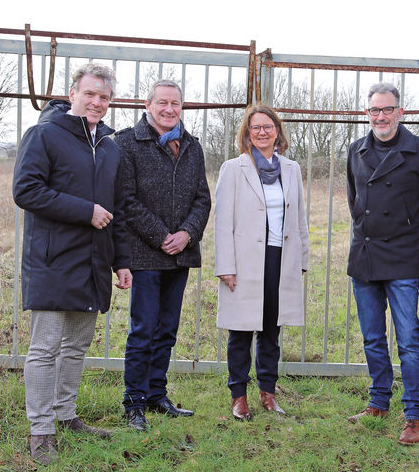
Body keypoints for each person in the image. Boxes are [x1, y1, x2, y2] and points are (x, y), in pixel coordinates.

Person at [13, 63, 131, 465]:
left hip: (94, 262)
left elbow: (115, 210)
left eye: (104, 97)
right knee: (45, 348)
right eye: (90, 94)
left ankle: (65, 415)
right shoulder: (44, 135)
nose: (97, 102)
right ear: (72, 93)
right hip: (52, 259)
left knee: (77, 346)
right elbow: (26, 190)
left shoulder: (111, 147)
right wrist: (85, 211)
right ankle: (40, 431)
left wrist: (121, 262)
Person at [346, 82, 419, 445]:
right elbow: (355, 200)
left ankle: (414, 415)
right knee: (373, 337)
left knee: (408, 340)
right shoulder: (356, 150)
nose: (381, 116)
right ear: (367, 113)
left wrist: (418, 247)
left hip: (403, 258)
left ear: (400, 113)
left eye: (387, 110)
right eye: (374, 110)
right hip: (365, 256)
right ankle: (378, 402)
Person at [115, 80, 211, 431]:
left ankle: (156, 395)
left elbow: (202, 198)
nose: (169, 109)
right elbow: (125, 200)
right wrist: (161, 236)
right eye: (162, 103)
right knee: (143, 330)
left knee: (167, 330)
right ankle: (134, 402)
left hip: (179, 256)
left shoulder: (192, 146)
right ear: (148, 104)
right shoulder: (127, 143)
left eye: (175, 104)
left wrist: (186, 234)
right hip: (144, 254)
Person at [214, 104, 309, 420]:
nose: (263, 132)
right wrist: (226, 265)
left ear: (278, 131)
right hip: (245, 263)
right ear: (247, 133)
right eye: (256, 127)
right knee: (240, 331)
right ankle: (238, 396)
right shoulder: (234, 169)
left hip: (280, 261)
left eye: (268, 126)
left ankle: (268, 393)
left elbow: (299, 220)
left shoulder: (291, 169)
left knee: (272, 330)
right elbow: (223, 221)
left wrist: (301, 261)